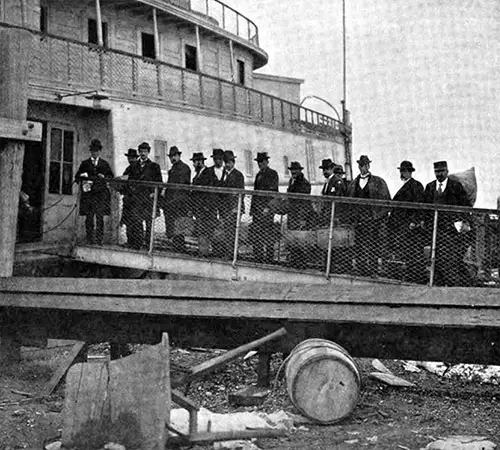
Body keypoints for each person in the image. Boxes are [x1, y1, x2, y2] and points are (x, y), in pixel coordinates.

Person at [423, 160, 472, 286]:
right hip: (434, 230)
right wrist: (424, 221)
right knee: (437, 257)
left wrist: (461, 222)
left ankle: (454, 284)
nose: (439, 174)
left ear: (447, 171)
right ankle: (438, 284)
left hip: (451, 231)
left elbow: (465, 206)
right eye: (436, 172)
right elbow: (424, 208)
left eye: (441, 171)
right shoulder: (429, 187)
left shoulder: (456, 186)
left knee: (450, 258)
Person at [346, 155, 391, 276]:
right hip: (358, 219)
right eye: (361, 165)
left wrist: (379, 216)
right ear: (359, 166)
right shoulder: (354, 183)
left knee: (373, 244)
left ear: (369, 166)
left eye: (365, 165)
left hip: (372, 219)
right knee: (359, 244)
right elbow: (348, 201)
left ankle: (373, 269)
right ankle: (361, 269)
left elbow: (386, 201)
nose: (363, 168)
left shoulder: (378, 182)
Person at [388, 160, 425, 282]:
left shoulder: (416, 186)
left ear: (410, 172)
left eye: (404, 171)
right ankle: (411, 275)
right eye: (401, 171)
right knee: (408, 251)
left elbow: (419, 205)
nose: (402, 173)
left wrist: (414, 221)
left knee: (414, 251)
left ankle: (417, 276)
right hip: (402, 225)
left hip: (410, 226)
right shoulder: (405, 186)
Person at [75, 139, 114, 245]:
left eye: (96, 150)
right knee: (89, 217)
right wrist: (84, 177)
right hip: (89, 195)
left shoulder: (104, 164)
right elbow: (77, 177)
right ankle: (90, 239)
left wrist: (104, 177)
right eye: (93, 150)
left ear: (99, 151)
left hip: (101, 195)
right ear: (90, 151)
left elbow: (111, 177)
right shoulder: (85, 164)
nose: (95, 152)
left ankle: (99, 239)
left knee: (100, 217)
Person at [127, 142, 163, 249]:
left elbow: (159, 183)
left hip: (148, 199)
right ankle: (138, 244)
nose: (143, 153)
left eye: (145, 151)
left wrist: (154, 193)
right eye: (141, 151)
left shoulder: (154, 166)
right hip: (137, 198)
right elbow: (128, 180)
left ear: (148, 152)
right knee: (137, 221)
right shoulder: (133, 166)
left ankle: (148, 244)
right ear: (139, 152)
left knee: (149, 222)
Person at [250, 152, 279, 263]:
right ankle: (258, 257)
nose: (260, 164)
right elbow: (255, 192)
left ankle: (269, 258)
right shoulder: (258, 175)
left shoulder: (272, 174)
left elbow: (273, 191)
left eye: (262, 161)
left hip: (267, 210)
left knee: (268, 234)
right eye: (258, 162)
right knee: (257, 234)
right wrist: (252, 209)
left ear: (267, 162)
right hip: (257, 210)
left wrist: (268, 207)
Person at [286, 161, 315, 268]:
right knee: (293, 238)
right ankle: (294, 261)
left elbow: (304, 202)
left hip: (301, 215)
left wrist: (303, 218)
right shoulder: (291, 181)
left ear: (299, 171)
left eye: (295, 170)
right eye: (291, 170)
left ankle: (302, 263)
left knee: (301, 239)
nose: (293, 172)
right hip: (293, 214)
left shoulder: (304, 183)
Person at [218, 150, 245, 258]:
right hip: (225, 208)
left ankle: (233, 254)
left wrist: (236, 208)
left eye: (229, 162)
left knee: (233, 231)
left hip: (234, 208)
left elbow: (241, 192)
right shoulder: (224, 174)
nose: (227, 165)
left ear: (233, 162)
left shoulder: (238, 175)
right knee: (226, 231)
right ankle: (228, 253)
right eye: (226, 162)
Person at [162, 146, 191, 244]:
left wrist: (172, 200)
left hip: (179, 202)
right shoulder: (173, 169)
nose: (172, 158)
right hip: (171, 202)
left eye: (174, 156)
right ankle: (176, 244)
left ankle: (179, 245)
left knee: (178, 226)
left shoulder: (184, 168)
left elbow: (181, 186)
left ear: (179, 156)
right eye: (171, 156)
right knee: (172, 226)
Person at [190, 152, 217, 255]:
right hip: (199, 209)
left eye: (195, 162)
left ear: (200, 162)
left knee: (206, 230)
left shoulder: (208, 172)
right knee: (201, 230)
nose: (194, 164)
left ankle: (206, 252)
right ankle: (203, 251)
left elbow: (211, 191)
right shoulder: (197, 175)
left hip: (207, 209)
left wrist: (207, 206)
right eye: (193, 162)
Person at [119, 148, 139, 247]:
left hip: (136, 200)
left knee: (136, 221)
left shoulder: (139, 169)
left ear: (136, 158)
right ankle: (130, 241)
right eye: (129, 158)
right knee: (128, 221)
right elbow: (123, 181)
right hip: (128, 199)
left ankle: (137, 243)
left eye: (133, 158)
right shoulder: (128, 169)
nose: (131, 160)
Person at [318, 158, 346, 227]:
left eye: (327, 169)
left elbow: (339, 199)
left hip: (335, 215)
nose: (325, 171)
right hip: (327, 215)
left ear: (332, 169)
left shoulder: (337, 181)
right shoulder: (327, 182)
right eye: (323, 170)